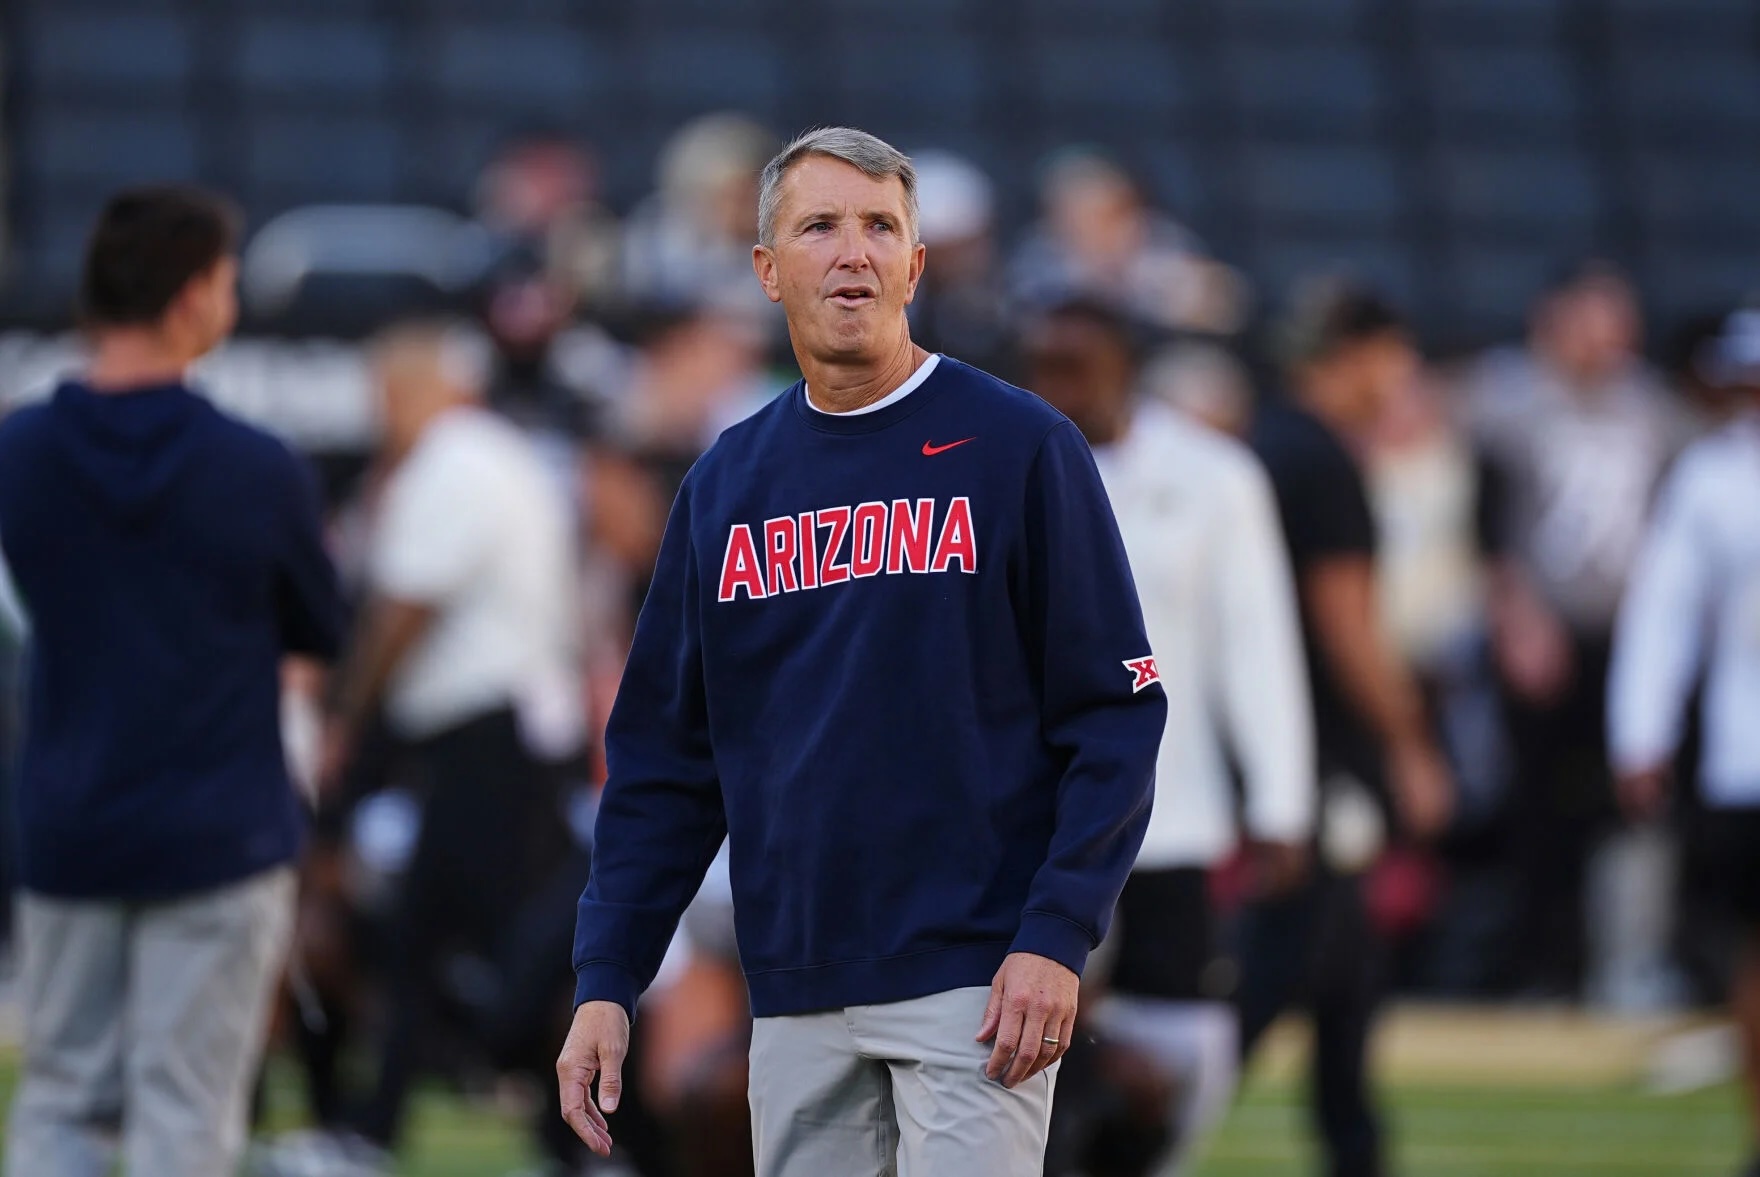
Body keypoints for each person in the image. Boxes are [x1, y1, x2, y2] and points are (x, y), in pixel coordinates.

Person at [558, 127, 1167, 1177]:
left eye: (881, 226)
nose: (853, 252)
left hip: (975, 977)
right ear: (766, 269)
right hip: (793, 981)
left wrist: (1055, 933)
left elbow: (1114, 713)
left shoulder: (1018, 446)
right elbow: (664, 761)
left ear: (916, 264)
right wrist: (607, 978)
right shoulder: (725, 482)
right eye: (820, 227)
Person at [0, 186, 346, 1177]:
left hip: (71, 816)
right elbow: (319, 625)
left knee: (60, 1098)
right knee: (186, 1112)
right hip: (219, 827)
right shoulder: (256, 467)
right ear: (194, 295)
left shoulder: (20, 453)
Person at [258, 321, 582, 1177]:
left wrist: (346, 716)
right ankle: (395, 1126)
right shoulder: (485, 456)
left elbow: (404, 609)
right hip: (489, 732)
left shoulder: (459, 458)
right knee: (446, 940)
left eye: (394, 388)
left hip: (484, 735)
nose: (383, 408)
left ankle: (568, 1132)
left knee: (489, 943)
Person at [1026, 298, 1315, 1176]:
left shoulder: (1211, 475)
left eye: (1079, 363)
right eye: (1044, 364)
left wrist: (1281, 798)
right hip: (1026, 813)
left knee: (1188, 1043)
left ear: (1126, 365)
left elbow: (1256, 639)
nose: (1060, 384)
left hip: (1170, 808)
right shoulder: (987, 469)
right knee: (1023, 1033)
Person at [1241, 280, 1455, 1177]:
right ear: (1358, 353)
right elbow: (1347, 624)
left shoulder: (1267, 443)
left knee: (1348, 963)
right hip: (1323, 747)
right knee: (1291, 956)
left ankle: (1356, 1141)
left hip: (1287, 738)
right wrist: (1409, 738)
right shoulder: (1322, 459)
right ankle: (1137, 1112)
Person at [1463, 260, 1692, 1003]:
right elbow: (1487, 523)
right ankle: (1541, 966)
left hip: (1631, 639)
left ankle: (1629, 960)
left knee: (1633, 804)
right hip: (1543, 632)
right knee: (1540, 810)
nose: (1605, 341)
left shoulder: (1654, 411)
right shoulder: (1510, 402)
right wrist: (1515, 614)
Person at [1607, 308, 1760, 1177]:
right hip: (1747, 758)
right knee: (1755, 955)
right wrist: (1642, 732)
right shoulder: (1710, 477)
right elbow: (1664, 613)